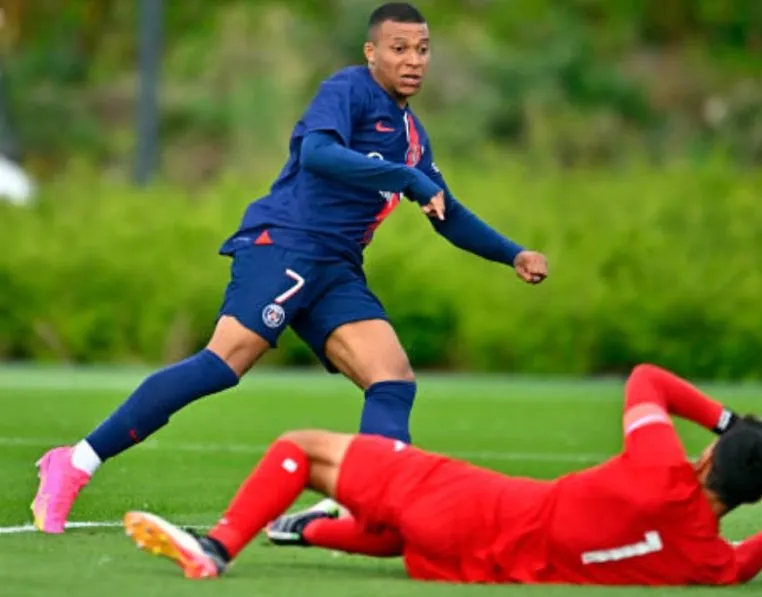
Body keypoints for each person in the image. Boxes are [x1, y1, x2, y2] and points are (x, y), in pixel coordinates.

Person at [31, 1, 548, 534]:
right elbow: (319, 154)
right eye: (399, 49)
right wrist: (407, 179)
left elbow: (447, 213)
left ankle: (369, 501)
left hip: (336, 268)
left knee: (392, 378)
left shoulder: (414, 137)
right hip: (286, 244)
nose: (412, 60)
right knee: (222, 364)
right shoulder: (347, 91)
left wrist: (514, 253)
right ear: (372, 54)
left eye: (422, 49)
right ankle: (73, 463)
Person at [121, 364, 762, 585]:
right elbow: (741, 566)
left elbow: (647, 379)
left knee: (299, 449)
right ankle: (316, 529)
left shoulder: (665, 468)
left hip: (475, 503)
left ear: (705, 457)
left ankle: (215, 546)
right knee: (399, 531)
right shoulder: (704, 556)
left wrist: (730, 420)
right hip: (465, 563)